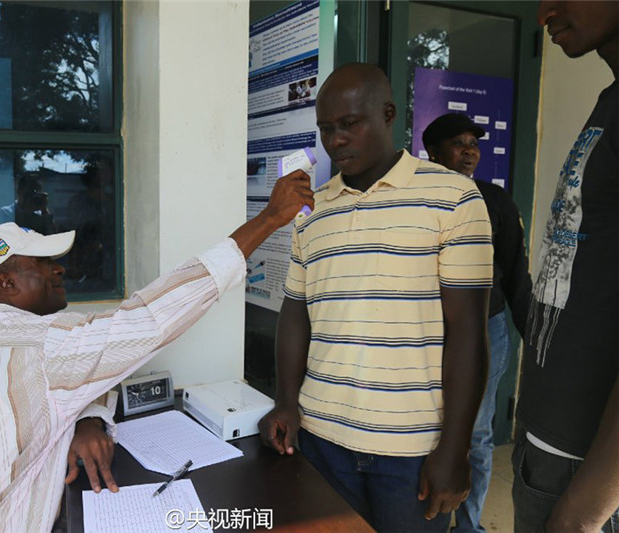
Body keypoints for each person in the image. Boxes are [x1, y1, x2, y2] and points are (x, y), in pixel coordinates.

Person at [0, 171, 313, 532]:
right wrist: (269, 219)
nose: (59, 268)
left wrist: (86, 418)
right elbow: (150, 319)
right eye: (42, 263)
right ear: (5, 283)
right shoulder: (44, 346)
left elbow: (66, 381)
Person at [258, 63, 494, 532]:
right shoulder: (311, 212)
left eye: (349, 123)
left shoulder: (454, 197)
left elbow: (468, 332)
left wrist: (455, 448)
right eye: (326, 129)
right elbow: (295, 313)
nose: (336, 140)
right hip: (322, 437)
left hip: (412, 449)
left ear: (387, 114)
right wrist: (286, 400)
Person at [513, 2, 619, 532]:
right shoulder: (610, 100)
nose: (544, 12)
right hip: (552, 446)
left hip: (584, 471)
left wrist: (586, 510)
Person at [422, 112, 532, 533]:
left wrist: (534, 339)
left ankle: (468, 527)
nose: (469, 151)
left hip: (487, 329)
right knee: (427, 427)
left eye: (474, 143)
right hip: (429, 330)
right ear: (433, 152)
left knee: (478, 434)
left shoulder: (495, 201)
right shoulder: (416, 199)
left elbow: (515, 274)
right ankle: (426, 518)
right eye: (458, 143)